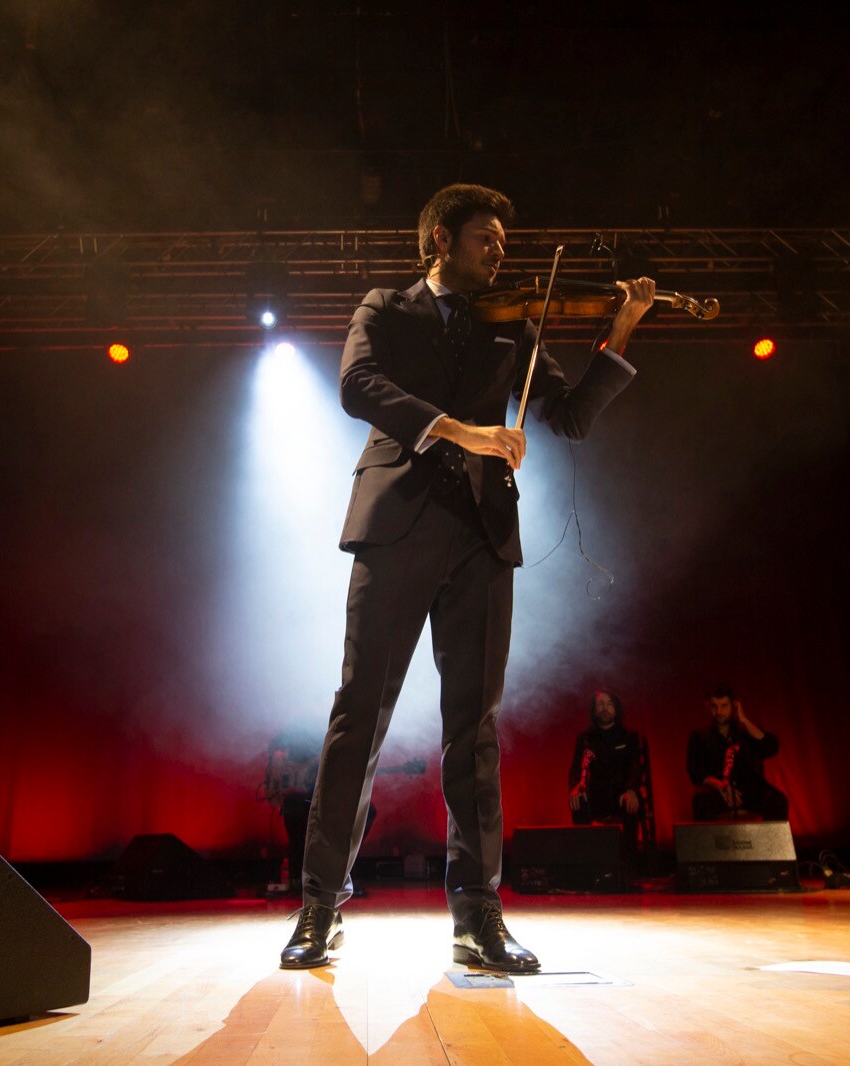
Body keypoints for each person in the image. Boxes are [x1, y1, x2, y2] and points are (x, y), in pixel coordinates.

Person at [281, 183, 656, 971]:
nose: (499, 250)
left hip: (483, 537)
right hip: (397, 525)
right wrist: (459, 430)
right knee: (359, 715)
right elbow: (358, 387)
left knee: (474, 732)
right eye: (485, 237)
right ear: (440, 242)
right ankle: (320, 908)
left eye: (502, 241)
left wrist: (618, 335)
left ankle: (478, 918)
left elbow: (572, 416)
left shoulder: (513, 325)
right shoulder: (387, 306)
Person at [263, 719, 375, 897]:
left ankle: (339, 873)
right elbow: (275, 748)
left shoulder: (331, 735)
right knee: (295, 817)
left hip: (323, 798)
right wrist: (279, 764)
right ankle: (297, 879)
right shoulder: (292, 735)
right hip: (299, 801)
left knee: (367, 811)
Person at [686, 685, 789, 822]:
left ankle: (767, 843)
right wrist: (719, 785)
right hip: (720, 792)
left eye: (724, 706)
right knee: (701, 802)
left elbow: (770, 747)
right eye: (714, 706)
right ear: (708, 707)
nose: (719, 711)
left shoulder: (746, 731)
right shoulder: (699, 736)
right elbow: (695, 772)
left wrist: (744, 720)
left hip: (751, 791)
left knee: (778, 801)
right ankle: (710, 844)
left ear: (733, 706)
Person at [567, 690, 651, 851]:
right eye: (600, 704)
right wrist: (575, 788)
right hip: (596, 794)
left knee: (630, 802)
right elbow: (576, 768)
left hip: (622, 791)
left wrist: (632, 789)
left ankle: (630, 860)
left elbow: (635, 766)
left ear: (616, 709)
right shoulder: (585, 738)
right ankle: (586, 856)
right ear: (594, 710)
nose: (605, 708)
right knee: (578, 801)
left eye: (609, 704)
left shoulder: (629, 736)